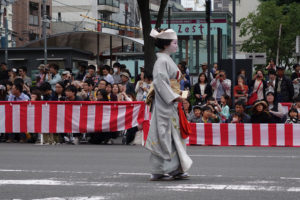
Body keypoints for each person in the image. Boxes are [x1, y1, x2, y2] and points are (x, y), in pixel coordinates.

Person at [145, 28, 192, 181]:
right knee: (164, 134)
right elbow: (160, 82)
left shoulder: (165, 59)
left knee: (171, 136)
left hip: (169, 102)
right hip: (165, 103)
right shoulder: (162, 61)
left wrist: (178, 95)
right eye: (174, 42)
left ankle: (174, 169)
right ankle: (161, 169)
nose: (176, 45)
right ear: (166, 44)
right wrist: (174, 96)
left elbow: (165, 82)